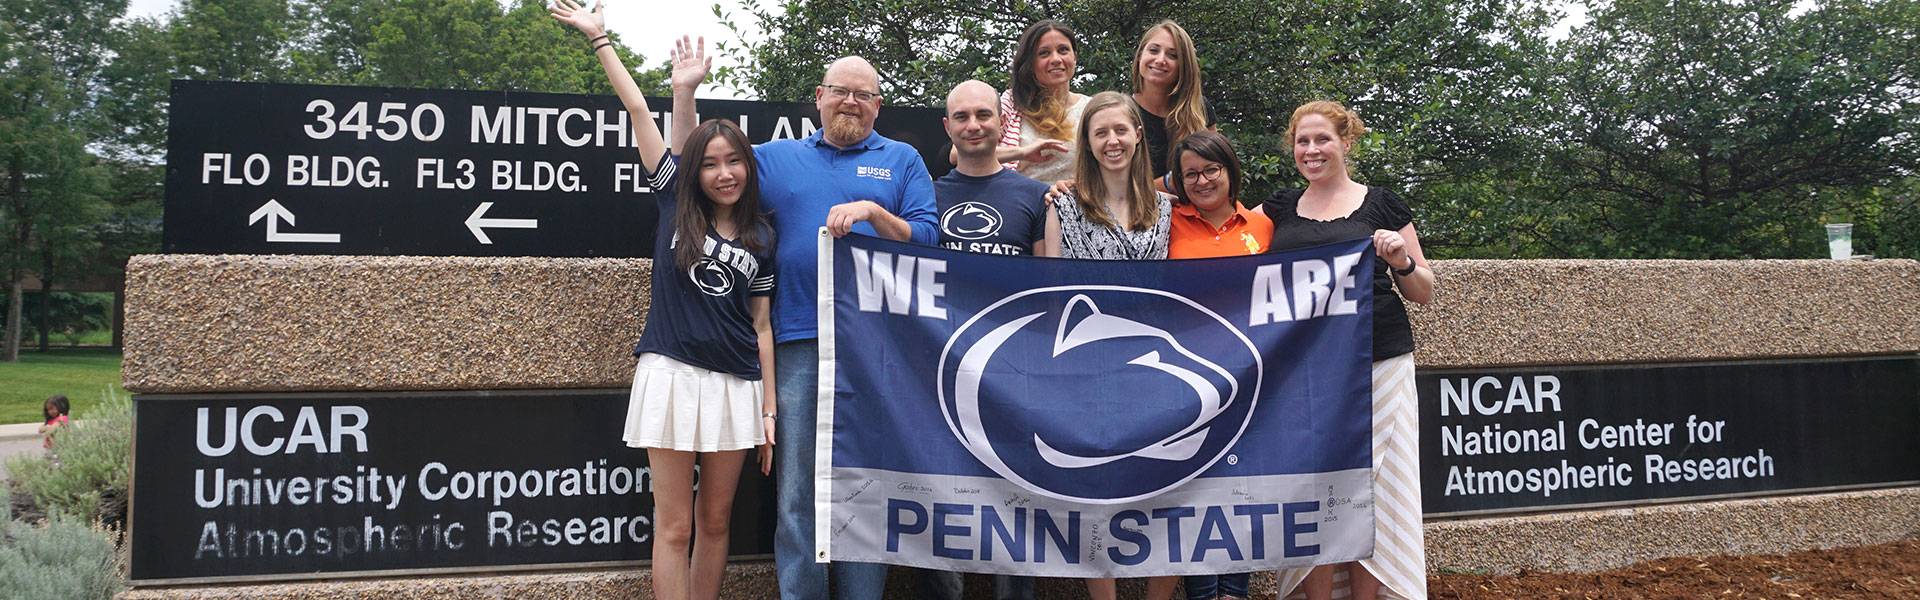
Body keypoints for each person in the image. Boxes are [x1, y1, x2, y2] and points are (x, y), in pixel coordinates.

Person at [678, 40, 940, 600]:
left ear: (877, 105)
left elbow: (929, 239)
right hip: (796, 342)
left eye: (863, 95)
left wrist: (873, 212)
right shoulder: (773, 158)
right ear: (818, 99)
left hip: (877, 348)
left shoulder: (902, 160)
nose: (850, 101)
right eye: (840, 92)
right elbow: (694, 170)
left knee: (865, 488)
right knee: (796, 490)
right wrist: (684, 92)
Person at [552, 4, 774, 600]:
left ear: (748, 170)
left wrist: (770, 410)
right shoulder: (676, 206)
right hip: (671, 374)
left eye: (733, 162)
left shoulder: (762, 238)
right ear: (694, 174)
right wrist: (602, 40)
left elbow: (761, 327)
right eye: (709, 164)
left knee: (716, 522)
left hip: (736, 387)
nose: (723, 173)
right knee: (674, 524)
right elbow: (636, 111)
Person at [1263, 101, 1434, 600]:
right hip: (1305, 374)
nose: (1311, 150)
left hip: (1378, 364)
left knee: (1376, 491)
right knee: (1314, 491)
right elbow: (1213, 220)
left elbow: (1423, 289)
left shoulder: (1383, 204)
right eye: (1302, 141)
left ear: (1346, 142)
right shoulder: (1277, 209)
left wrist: (1401, 260)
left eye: (1322, 140)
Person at [916, 79, 1050, 600]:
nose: (974, 125)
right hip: (936, 368)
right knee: (937, 497)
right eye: (962, 117)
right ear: (947, 127)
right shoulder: (924, 194)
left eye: (984, 115)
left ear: (1001, 123)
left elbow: (1049, 287)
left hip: (1014, 375)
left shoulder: (1037, 195)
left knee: (1017, 501)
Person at [1039, 90, 1175, 600]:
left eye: (1121, 130)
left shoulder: (1166, 208)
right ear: (1088, 143)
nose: (1112, 141)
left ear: (1138, 135)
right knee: (1093, 493)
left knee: (1166, 489)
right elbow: (1053, 300)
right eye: (1101, 133)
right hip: (1088, 370)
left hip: (1154, 368)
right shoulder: (1063, 205)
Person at [1164, 131, 1269, 600]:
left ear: (1230, 170)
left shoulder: (1265, 225)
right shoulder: (1165, 220)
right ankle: (1202, 591)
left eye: (1211, 170)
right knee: (1193, 488)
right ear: (1178, 180)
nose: (1202, 180)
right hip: (1186, 379)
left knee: (1242, 488)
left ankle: (1237, 590)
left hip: (1252, 377)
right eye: (1190, 174)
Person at [993, 19, 1090, 184]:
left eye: (1063, 50)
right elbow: (960, 154)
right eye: (1044, 53)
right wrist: (1022, 152)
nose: (1056, 59)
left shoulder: (1090, 108)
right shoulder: (1012, 103)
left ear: (1074, 57)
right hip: (1022, 202)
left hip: (1076, 202)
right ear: (1030, 63)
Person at [1130, 20, 1218, 193]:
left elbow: (1217, 173)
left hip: (1192, 213)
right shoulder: (1121, 112)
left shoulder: (1198, 109)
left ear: (1183, 66)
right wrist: (1170, 183)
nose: (1160, 60)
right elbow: (1114, 188)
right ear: (1140, 55)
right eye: (1153, 50)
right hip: (1139, 214)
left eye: (1173, 55)